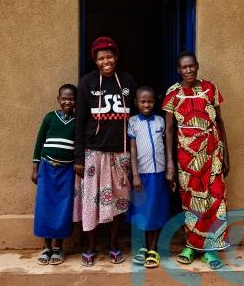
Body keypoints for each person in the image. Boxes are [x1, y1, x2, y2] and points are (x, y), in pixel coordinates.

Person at [162, 51, 231, 270]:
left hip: (213, 153)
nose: (188, 70)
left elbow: (220, 121)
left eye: (191, 66)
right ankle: (191, 246)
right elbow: (169, 131)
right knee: (190, 201)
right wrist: (170, 163)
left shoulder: (210, 88)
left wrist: (226, 155)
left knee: (214, 200)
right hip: (187, 158)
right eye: (184, 67)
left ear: (197, 66)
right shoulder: (173, 93)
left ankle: (211, 249)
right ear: (178, 70)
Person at [73, 36, 137, 267]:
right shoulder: (87, 82)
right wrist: (78, 158)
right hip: (94, 153)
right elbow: (80, 122)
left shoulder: (127, 81)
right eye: (101, 58)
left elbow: (135, 119)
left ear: (116, 57)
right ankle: (90, 246)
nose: (105, 61)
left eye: (109, 57)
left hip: (120, 154)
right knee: (91, 202)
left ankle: (113, 245)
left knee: (118, 202)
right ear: (95, 61)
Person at [126, 86, 175, 269]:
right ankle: (141, 248)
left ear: (155, 103)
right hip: (141, 175)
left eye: (150, 102)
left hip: (158, 173)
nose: (146, 105)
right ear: (136, 103)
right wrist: (135, 175)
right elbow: (132, 149)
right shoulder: (132, 122)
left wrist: (169, 167)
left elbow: (167, 145)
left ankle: (153, 249)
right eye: (142, 102)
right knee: (140, 211)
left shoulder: (160, 121)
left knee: (156, 210)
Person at [31, 84, 77, 265]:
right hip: (47, 169)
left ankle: (58, 247)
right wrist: (35, 168)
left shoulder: (77, 121)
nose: (67, 102)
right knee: (45, 206)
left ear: (76, 101)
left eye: (71, 99)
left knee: (63, 208)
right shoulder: (50, 117)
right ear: (58, 99)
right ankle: (47, 247)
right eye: (64, 98)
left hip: (67, 171)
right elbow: (39, 143)